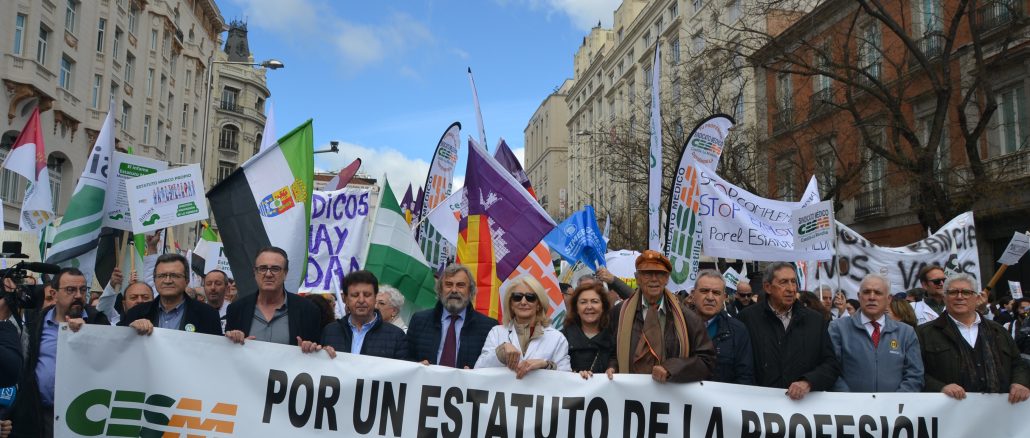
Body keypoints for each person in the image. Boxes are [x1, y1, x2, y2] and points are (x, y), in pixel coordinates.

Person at [9, 268, 109, 438]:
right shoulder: (35, 322)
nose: (78, 295)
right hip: (41, 414)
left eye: (82, 289)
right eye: (70, 290)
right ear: (54, 294)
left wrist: (87, 335)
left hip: (84, 415)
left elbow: (110, 361)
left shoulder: (98, 321)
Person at [606, 250, 716, 383]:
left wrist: (671, 369)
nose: (654, 279)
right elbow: (611, 352)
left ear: (667, 279)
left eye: (660, 274)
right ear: (637, 278)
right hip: (629, 392)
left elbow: (706, 361)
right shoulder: (619, 312)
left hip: (668, 393)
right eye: (647, 274)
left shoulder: (688, 318)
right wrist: (612, 367)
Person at [917, 274, 1030, 403]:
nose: (960, 297)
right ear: (944, 297)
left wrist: (1019, 382)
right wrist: (940, 387)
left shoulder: (999, 331)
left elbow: (1018, 363)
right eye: (953, 292)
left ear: (976, 298)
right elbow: (916, 372)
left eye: (966, 292)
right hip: (949, 408)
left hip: (999, 409)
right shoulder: (924, 333)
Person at [738, 262, 840, 400]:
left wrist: (808, 382)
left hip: (802, 406)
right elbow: (741, 366)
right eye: (784, 282)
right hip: (759, 405)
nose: (791, 289)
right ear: (767, 287)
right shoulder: (747, 319)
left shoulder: (815, 321)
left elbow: (831, 366)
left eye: (793, 282)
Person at [828, 274, 923, 392]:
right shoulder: (838, 328)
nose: (872, 297)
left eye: (878, 293)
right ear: (859, 296)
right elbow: (830, 368)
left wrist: (897, 400)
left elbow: (915, 374)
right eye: (866, 292)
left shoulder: (906, 333)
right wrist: (850, 399)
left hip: (895, 403)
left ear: (889, 299)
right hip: (849, 403)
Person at [475, 275, 571, 377]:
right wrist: (499, 353)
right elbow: (478, 371)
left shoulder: (557, 338)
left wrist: (546, 365)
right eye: (517, 297)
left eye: (530, 298)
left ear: (539, 305)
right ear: (511, 304)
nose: (523, 302)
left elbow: (566, 378)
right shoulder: (496, 333)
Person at [224, 247, 321, 346]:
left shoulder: (308, 310)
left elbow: (317, 349)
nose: (268, 274)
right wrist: (237, 344)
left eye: (275, 269)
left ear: (285, 273)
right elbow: (227, 351)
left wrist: (310, 348)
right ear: (255, 272)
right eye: (263, 268)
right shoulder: (236, 310)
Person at [407, 264, 498, 368]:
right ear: (440, 290)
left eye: (460, 285)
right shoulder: (419, 321)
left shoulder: (489, 327)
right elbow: (405, 360)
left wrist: (474, 373)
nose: (454, 290)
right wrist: (417, 367)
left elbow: (492, 368)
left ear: (470, 290)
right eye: (449, 285)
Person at [118, 254, 222, 336]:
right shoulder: (136, 313)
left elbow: (215, 351)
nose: (168, 281)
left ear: (187, 280)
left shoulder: (208, 315)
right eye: (162, 276)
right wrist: (130, 331)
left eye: (174, 275)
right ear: (154, 280)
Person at [316, 271, 408, 360]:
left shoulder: (396, 336)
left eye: (367, 295)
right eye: (355, 295)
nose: (361, 300)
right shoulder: (330, 331)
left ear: (375, 298)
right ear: (345, 299)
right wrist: (317, 354)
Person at [691, 269, 754, 384]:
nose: (710, 297)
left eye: (716, 293)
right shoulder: (677, 325)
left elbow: (745, 376)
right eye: (704, 291)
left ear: (724, 297)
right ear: (693, 294)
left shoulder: (739, 331)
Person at [561, 282, 613, 378]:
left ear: (603, 306)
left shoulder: (614, 336)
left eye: (594, 301)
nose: (589, 307)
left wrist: (613, 368)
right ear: (576, 308)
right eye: (583, 302)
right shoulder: (562, 338)